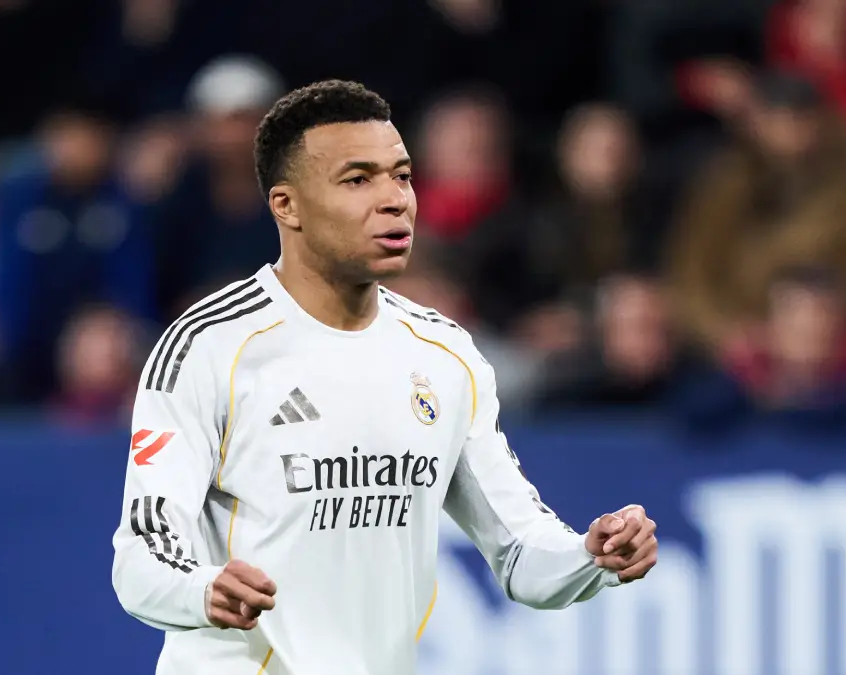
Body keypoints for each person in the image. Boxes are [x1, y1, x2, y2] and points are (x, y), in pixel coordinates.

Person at [111, 80, 658, 674]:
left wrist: (591, 557)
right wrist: (202, 590)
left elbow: (521, 553)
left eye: (401, 175)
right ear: (286, 206)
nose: (395, 199)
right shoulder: (208, 347)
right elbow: (141, 558)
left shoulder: (445, 356)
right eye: (358, 180)